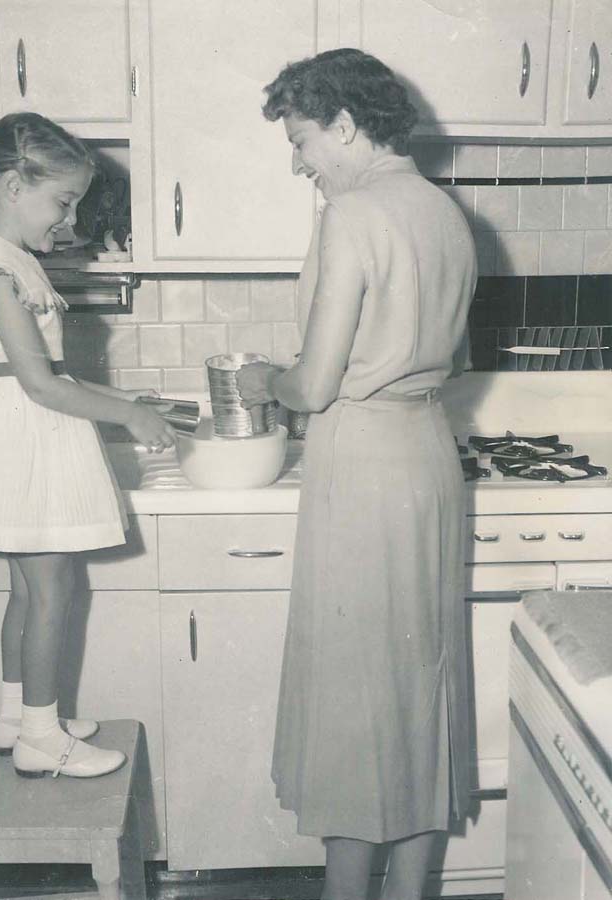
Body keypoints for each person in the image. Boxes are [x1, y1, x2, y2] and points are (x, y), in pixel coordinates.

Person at [236, 49, 476, 900]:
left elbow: (312, 385)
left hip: (364, 464)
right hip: (426, 458)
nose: (298, 161)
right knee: (415, 690)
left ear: (344, 125)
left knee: (353, 699)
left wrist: (260, 375)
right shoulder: (446, 213)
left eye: (302, 140)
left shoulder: (354, 213)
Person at [0, 112, 176, 780]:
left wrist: (126, 404)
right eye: (62, 202)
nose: (70, 221)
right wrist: (128, 417)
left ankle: (16, 716)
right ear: (12, 187)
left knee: (28, 590)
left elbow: (38, 370)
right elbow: (39, 384)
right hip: (24, 433)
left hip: (19, 433)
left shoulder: (8, 260)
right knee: (53, 586)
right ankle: (40, 735)